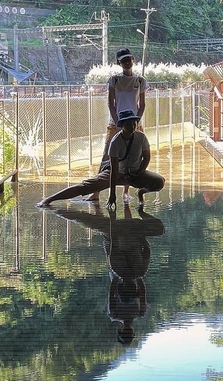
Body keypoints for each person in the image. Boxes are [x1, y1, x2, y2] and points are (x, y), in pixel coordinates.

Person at [49, 204, 165, 345]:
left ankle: (105, 213)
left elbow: (115, 291)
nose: (127, 329)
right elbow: (139, 288)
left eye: (125, 332)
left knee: (110, 235)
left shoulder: (116, 313)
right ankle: (113, 214)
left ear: (121, 330)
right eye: (129, 332)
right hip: (123, 263)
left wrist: (122, 273)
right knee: (112, 235)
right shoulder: (138, 311)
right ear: (132, 331)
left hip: (120, 266)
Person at [37, 109, 164, 208]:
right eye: (128, 124)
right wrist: (112, 194)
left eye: (134, 123)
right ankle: (49, 199)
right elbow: (114, 170)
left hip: (136, 173)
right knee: (85, 187)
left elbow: (146, 158)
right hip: (116, 173)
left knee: (159, 181)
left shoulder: (141, 137)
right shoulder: (115, 142)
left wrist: (138, 173)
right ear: (122, 125)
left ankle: (141, 192)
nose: (132, 126)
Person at [84, 47, 148, 203]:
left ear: (133, 60)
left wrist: (135, 122)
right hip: (115, 123)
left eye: (129, 59)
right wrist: (118, 123)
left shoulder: (140, 81)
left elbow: (142, 105)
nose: (127, 62)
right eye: (123, 60)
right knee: (107, 155)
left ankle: (126, 192)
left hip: (134, 124)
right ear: (119, 63)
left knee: (133, 156)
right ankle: (96, 192)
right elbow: (110, 103)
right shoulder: (115, 80)